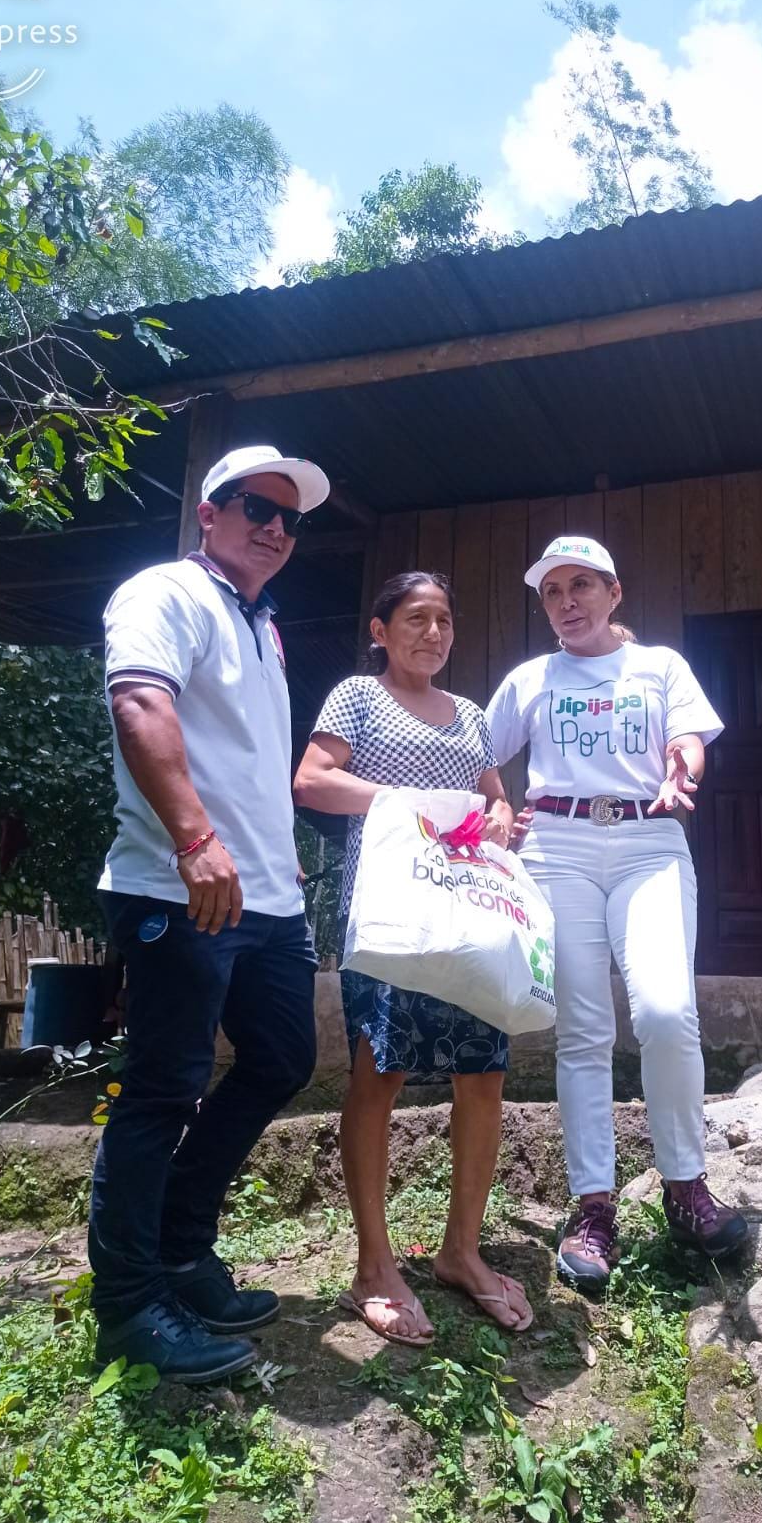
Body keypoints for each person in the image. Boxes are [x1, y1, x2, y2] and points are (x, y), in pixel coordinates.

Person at [89, 443, 328, 1383]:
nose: (274, 528)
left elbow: (248, 760)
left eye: (289, 519)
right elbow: (141, 706)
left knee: (282, 1059)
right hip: (177, 886)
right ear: (209, 512)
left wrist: (277, 853)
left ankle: (181, 1252)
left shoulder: (262, 624)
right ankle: (129, 1306)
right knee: (163, 1089)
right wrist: (194, 841)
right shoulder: (166, 593)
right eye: (255, 508)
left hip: (266, 895)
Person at [485, 535, 748, 1286]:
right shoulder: (531, 679)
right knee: (584, 1029)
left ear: (613, 593)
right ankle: (593, 1208)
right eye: (552, 592)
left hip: (648, 841)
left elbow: (689, 741)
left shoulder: (658, 666)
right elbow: (478, 752)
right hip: (557, 847)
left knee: (666, 1011)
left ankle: (686, 1188)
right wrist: (499, 805)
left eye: (581, 586)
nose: (567, 602)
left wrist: (681, 766)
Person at [293, 571, 533, 1346]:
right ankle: (374, 1265)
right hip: (389, 912)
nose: (432, 633)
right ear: (381, 630)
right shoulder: (357, 699)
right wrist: (404, 801)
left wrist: (500, 817)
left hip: (464, 914)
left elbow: (495, 797)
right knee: (380, 1073)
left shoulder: (469, 716)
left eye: (444, 622)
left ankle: (461, 1251)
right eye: (415, 619)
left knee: (483, 1075)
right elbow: (311, 781)